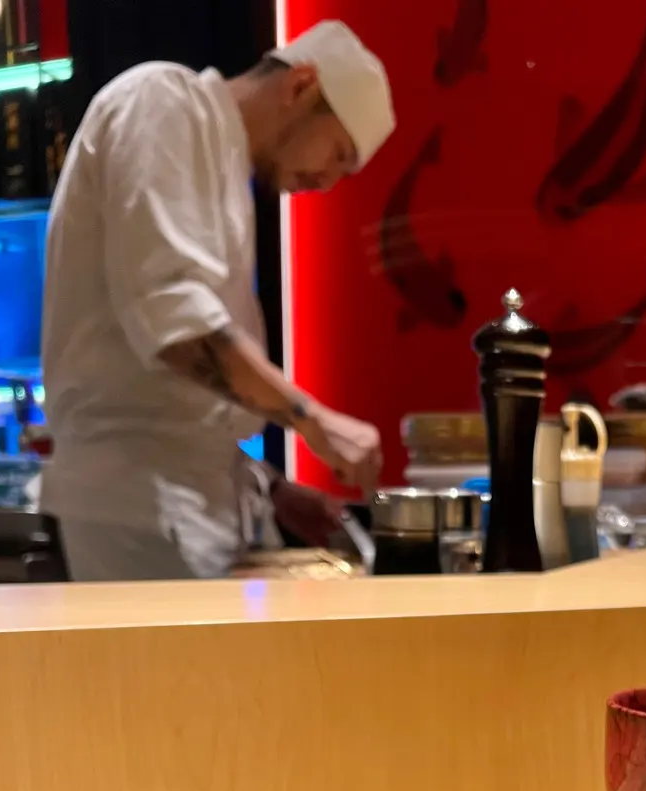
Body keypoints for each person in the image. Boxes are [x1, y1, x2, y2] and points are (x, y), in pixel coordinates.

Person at [40, 22, 395, 581]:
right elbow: (175, 326)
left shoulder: (228, 168)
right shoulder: (161, 102)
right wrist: (313, 419)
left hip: (193, 511)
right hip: (136, 512)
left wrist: (271, 489)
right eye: (338, 154)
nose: (326, 182)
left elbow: (186, 402)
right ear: (301, 85)